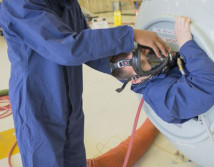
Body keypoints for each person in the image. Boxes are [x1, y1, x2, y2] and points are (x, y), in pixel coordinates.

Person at [0, 0, 169, 167]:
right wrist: (130, 35)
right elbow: (67, 47)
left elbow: (89, 50)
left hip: (71, 107)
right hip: (37, 107)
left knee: (75, 161)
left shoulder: (68, 5)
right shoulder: (20, 4)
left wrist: (130, 66)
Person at [110, 16, 214, 124]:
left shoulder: (158, 74)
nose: (154, 57)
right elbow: (213, 86)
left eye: (145, 52)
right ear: (136, 79)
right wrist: (186, 45)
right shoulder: (163, 99)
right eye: (143, 63)